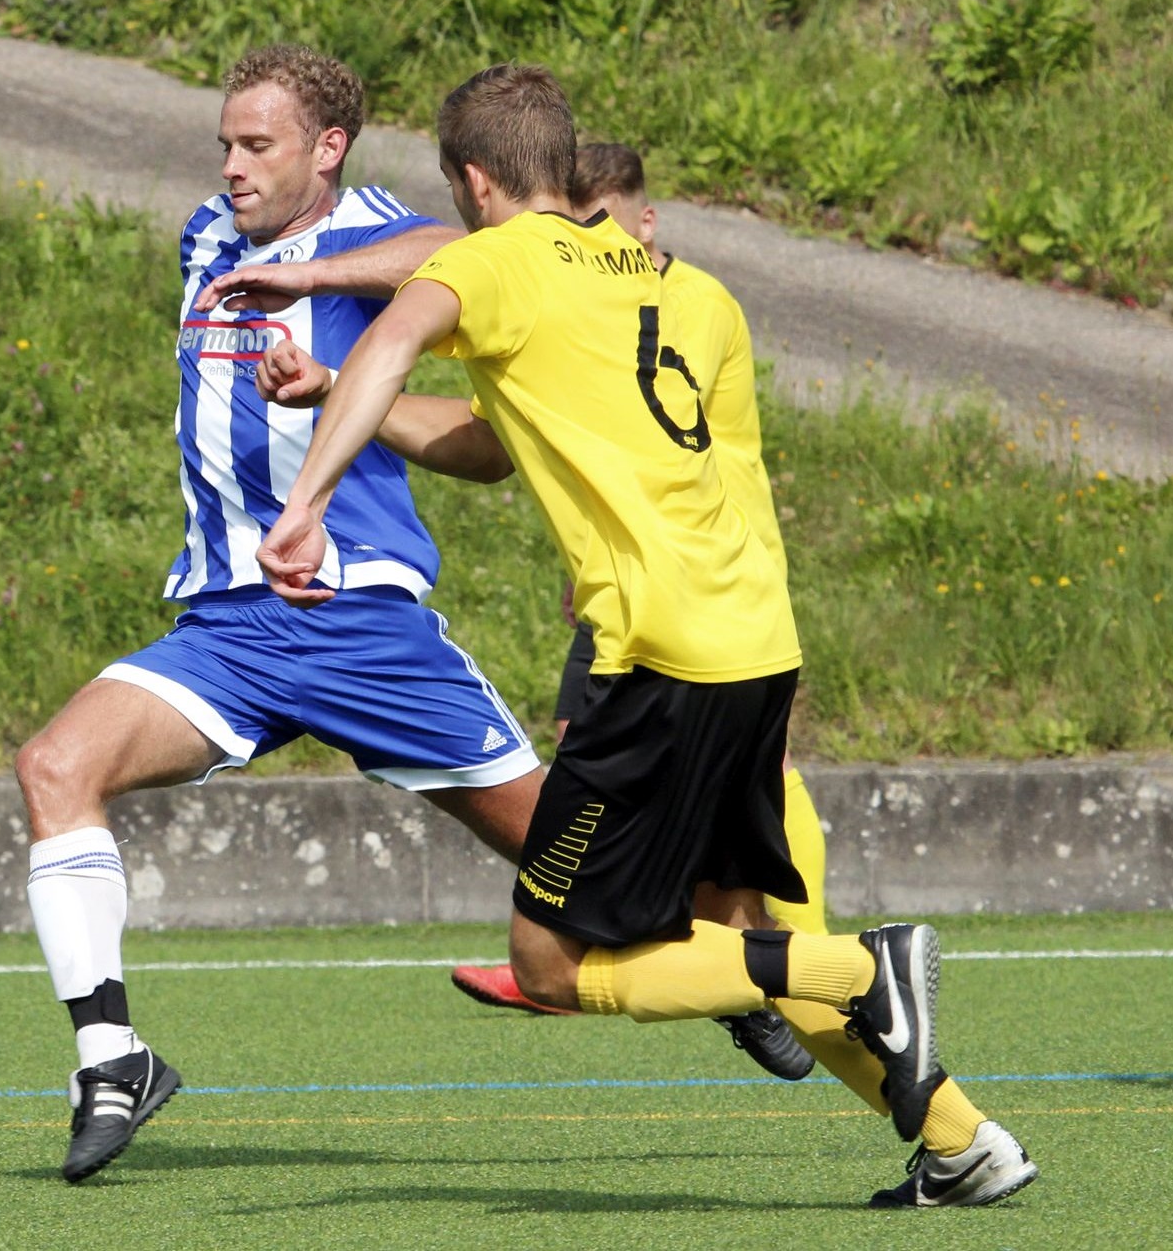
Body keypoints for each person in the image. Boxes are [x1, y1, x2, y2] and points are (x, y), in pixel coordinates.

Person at [254, 65, 1037, 1207]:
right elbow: (495, 440)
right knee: (731, 935)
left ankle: (864, 967)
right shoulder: (693, 292)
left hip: (651, 659)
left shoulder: (487, 264)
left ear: (472, 180)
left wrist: (306, 499)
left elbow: (391, 350)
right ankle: (965, 1141)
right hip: (753, 643)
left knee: (549, 962)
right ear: (566, 164)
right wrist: (335, 390)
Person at [13, 44, 547, 1184]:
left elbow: (474, 248)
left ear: (329, 150)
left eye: (258, 145)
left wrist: (313, 285)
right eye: (225, 142)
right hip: (228, 628)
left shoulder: (383, 238)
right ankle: (114, 1060)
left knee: (579, 865)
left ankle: (744, 978)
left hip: (358, 620)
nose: (232, 165)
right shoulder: (206, 237)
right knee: (56, 767)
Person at [447, 145, 830, 1089]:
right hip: (681, 603)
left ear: (643, 223)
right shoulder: (615, 301)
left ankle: (815, 970)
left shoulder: (688, 304)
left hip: (680, 613)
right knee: (661, 798)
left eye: (606, 222)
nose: (589, 242)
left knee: (632, 898)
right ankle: (939, 1121)